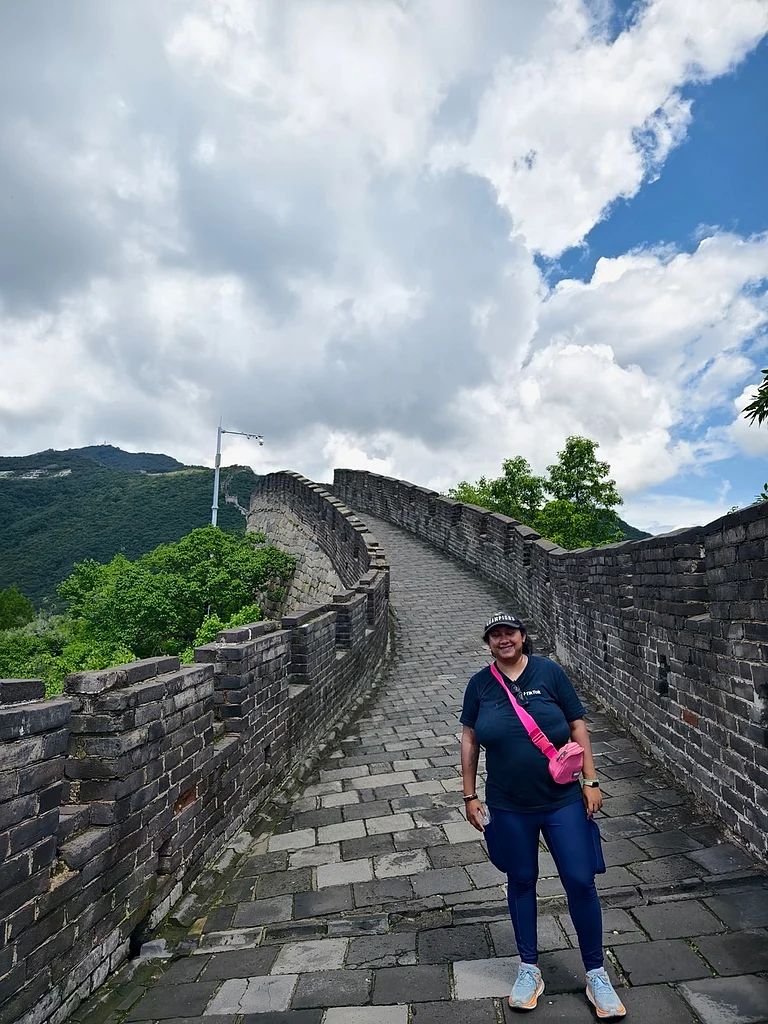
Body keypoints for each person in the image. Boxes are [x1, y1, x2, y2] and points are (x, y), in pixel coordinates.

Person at [460, 613, 626, 1019]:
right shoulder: (480, 685)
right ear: (488, 642)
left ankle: (595, 973)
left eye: (510, 633)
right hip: (508, 804)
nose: (504, 640)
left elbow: (577, 726)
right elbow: (469, 739)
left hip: (561, 801)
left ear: (522, 637)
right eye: (495, 635)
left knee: (579, 879)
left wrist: (590, 781)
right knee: (520, 881)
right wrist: (468, 795)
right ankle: (529, 968)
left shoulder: (549, 672)